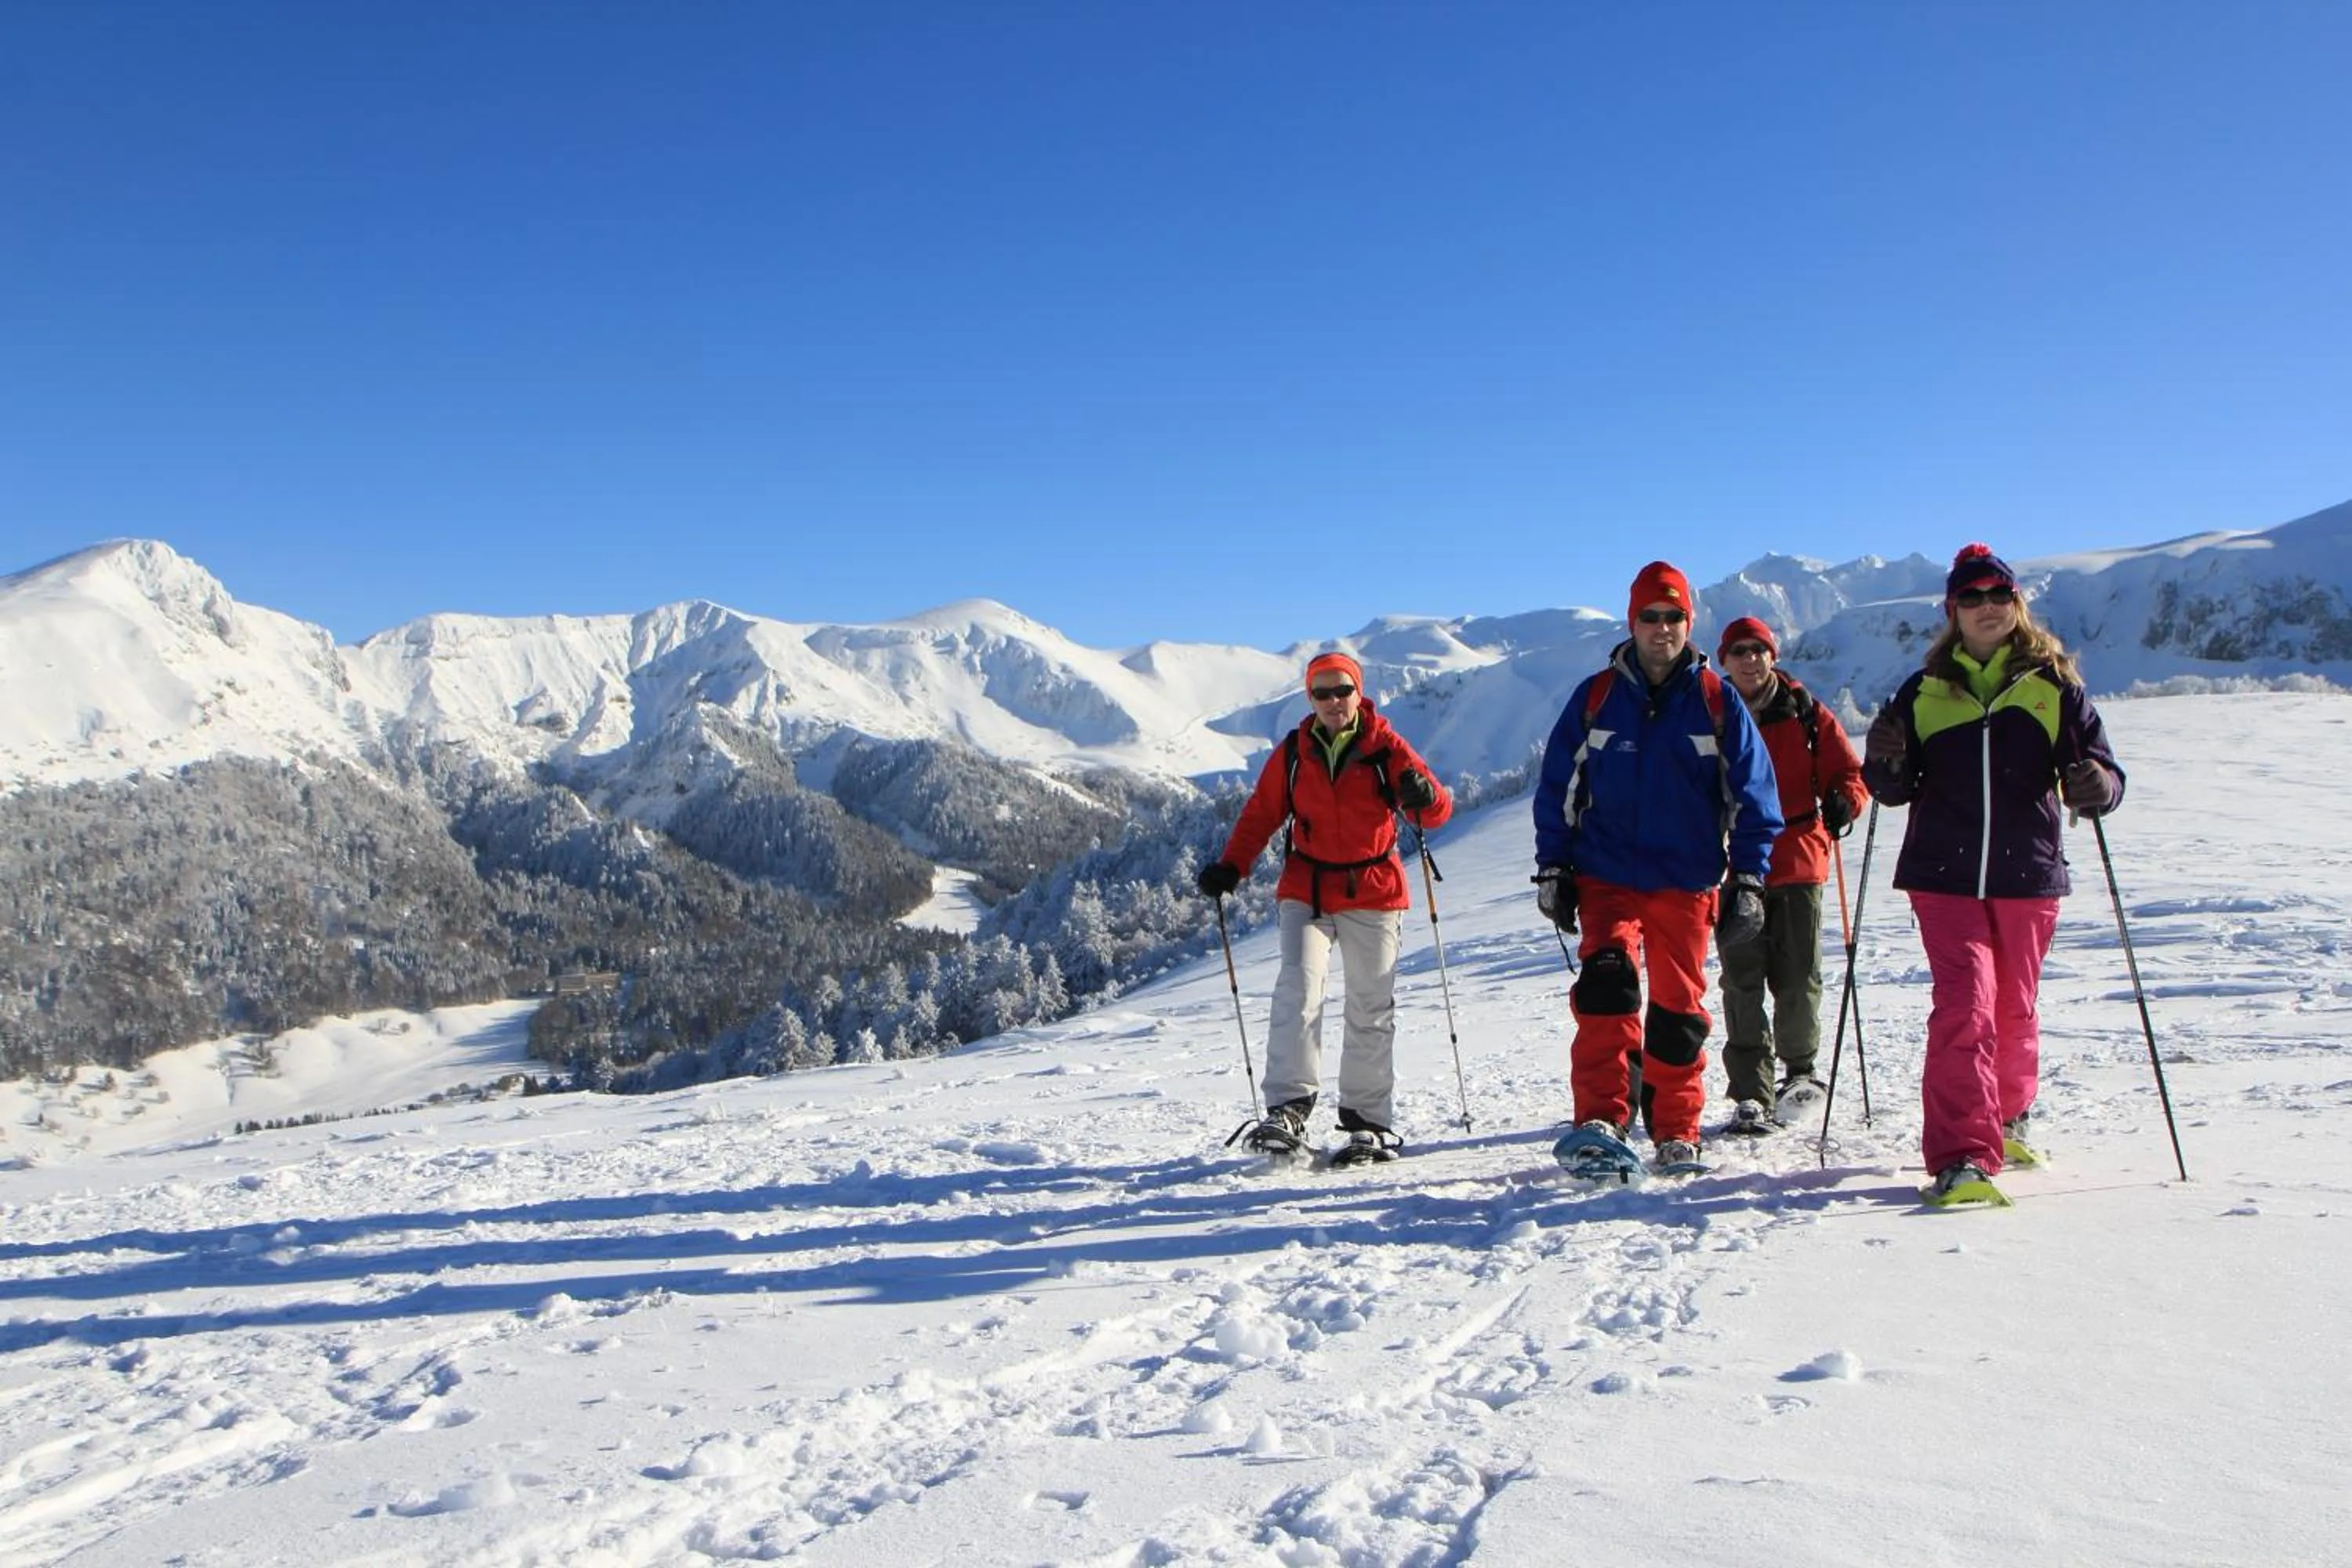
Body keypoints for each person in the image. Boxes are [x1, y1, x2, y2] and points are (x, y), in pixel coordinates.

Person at [1862, 543, 2125, 1206]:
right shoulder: (1923, 691)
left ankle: (2007, 1116)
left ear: (2016, 604)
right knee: (1965, 1006)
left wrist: (2099, 786)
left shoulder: (2053, 687)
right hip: (1942, 876)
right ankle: (1962, 1155)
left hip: (2027, 876)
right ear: (1954, 610)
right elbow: (1893, 791)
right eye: (1972, 598)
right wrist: (1883, 764)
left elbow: (2102, 772)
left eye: (1997, 596)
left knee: (2014, 1007)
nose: (1986, 607)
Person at [1531, 563, 1784, 1176]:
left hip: (1686, 880)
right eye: (1651, 616)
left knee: (1677, 1011)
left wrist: (1748, 878)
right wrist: (1553, 866)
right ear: (1632, 622)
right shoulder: (1596, 698)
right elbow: (1558, 786)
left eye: (1674, 617)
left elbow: (1757, 798)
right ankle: (1601, 1120)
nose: (1662, 628)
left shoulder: (1716, 701)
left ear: (1688, 624)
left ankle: (1677, 1130)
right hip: (1606, 876)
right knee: (1605, 993)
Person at [1196, 651, 1454, 1163]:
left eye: (1343, 691)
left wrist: (1424, 795)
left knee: (1370, 1004)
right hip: (1307, 888)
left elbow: (1438, 812)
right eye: (1323, 693)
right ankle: (1288, 1110)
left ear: (1360, 694)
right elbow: (1261, 814)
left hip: (1375, 890)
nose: (1335, 702)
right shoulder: (1294, 751)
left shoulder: (1386, 747)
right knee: (1298, 987)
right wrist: (1232, 865)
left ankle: (1367, 1124)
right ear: (1309, 698)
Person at [1711, 615, 1870, 1131]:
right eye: (1739, 651)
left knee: (1799, 975)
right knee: (1742, 980)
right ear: (1725, 661)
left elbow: (1848, 773)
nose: (1750, 659)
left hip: (1799, 856)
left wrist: (1846, 801)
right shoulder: (1712, 714)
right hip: (1732, 864)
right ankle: (1751, 1093)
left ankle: (1799, 1073)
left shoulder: (1804, 712)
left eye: (1758, 649)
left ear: (1772, 655)